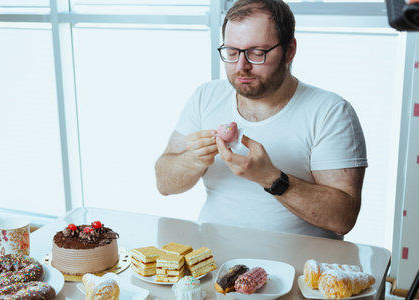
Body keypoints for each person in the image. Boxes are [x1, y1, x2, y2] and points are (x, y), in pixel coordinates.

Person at [154, 0, 367, 240]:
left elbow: (343, 218)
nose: (241, 66)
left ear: (290, 50)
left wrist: (271, 178)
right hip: (214, 257)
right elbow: (164, 184)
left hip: (298, 264)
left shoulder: (331, 112)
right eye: (232, 52)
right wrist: (192, 160)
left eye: (257, 53)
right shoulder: (205, 96)